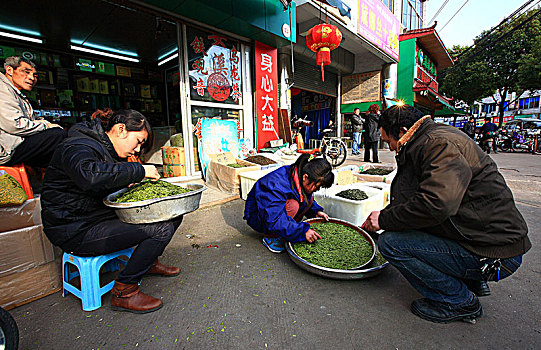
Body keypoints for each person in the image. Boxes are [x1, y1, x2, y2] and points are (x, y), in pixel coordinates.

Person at [361, 105, 530, 324]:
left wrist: (383, 219)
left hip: (494, 253)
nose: (391, 148)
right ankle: (469, 280)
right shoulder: (430, 137)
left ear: (403, 131)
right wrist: (389, 214)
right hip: (480, 238)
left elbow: (437, 203)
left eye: (389, 142)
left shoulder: (438, 144)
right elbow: (418, 195)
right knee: (406, 229)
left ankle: (459, 301)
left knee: (391, 244)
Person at [41, 109, 182, 314]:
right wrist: (140, 171)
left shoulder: (108, 149)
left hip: (97, 217)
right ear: (121, 129)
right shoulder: (78, 145)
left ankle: (147, 262)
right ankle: (125, 292)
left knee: (171, 213)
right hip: (74, 229)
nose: (137, 149)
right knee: (160, 229)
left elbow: (106, 180)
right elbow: (90, 176)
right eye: (138, 141)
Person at [243, 154, 334, 253]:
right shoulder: (276, 184)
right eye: (317, 186)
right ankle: (271, 236)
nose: (317, 190)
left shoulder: (300, 175)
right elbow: (274, 218)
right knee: (293, 205)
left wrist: (315, 212)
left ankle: (289, 228)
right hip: (259, 217)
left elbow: (305, 198)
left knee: (309, 199)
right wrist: (302, 232)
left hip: (273, 212)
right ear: (305, 177)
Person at [0, 56, 66, 167]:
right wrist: (46, 126)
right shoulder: (3, 89)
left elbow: (34, 119)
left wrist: (48, 124)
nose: (31, 78)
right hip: (6, 151)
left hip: (13, 144)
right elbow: (14, 125)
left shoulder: (15, 92)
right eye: (26, 72)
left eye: (35, 75)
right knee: (58, 135)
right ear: (10, 70)